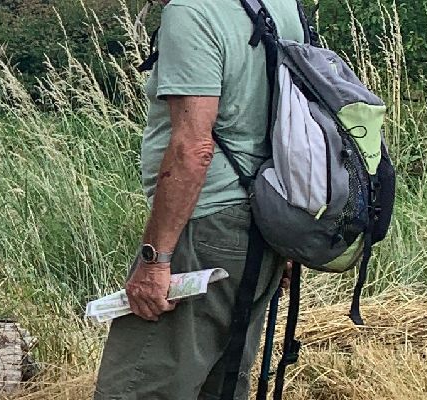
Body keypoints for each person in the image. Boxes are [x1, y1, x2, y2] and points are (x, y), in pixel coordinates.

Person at [92, 0, 308, 398]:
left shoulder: (191, 11)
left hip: (206, 225)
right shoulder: (280, 6)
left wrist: (155, 260)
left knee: (137, 388)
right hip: (265, 225)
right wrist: (288, 233)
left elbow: (193, 149)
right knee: (221, 386)